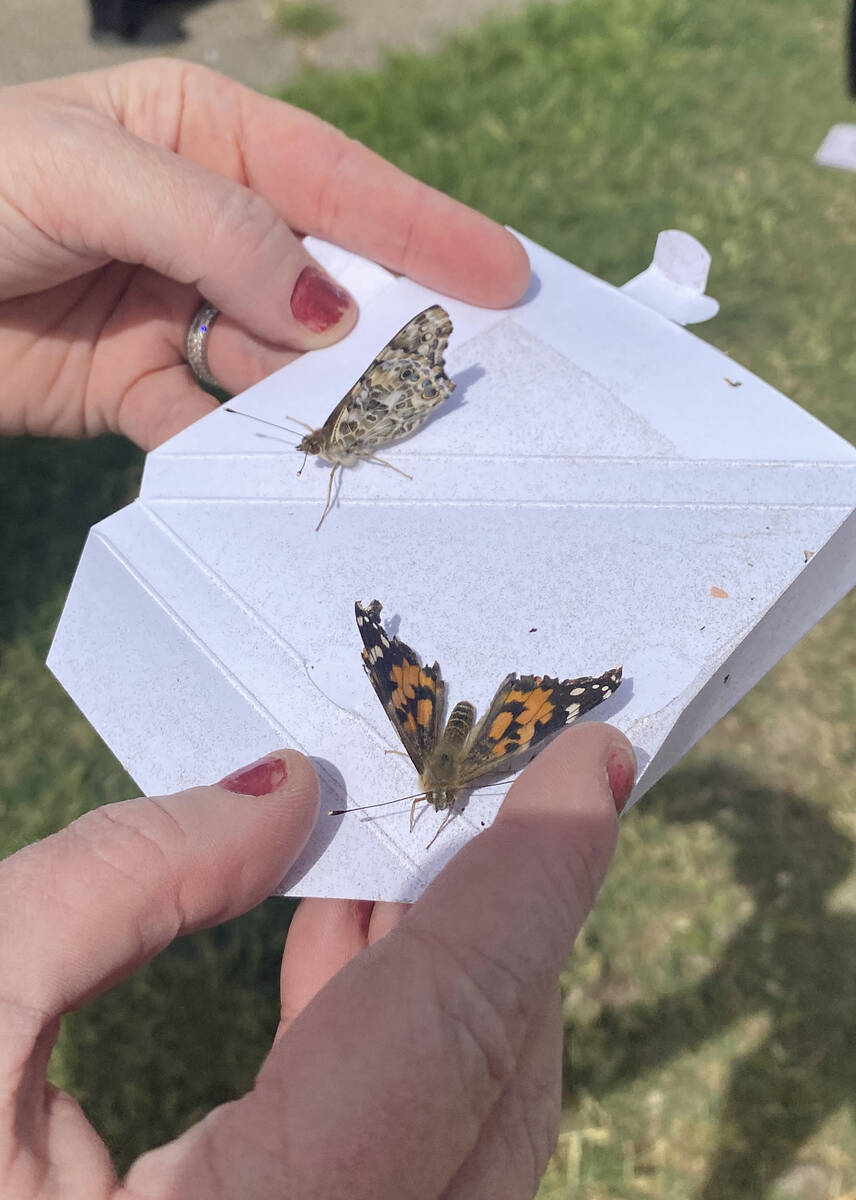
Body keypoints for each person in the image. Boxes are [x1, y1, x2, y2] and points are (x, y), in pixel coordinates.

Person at [0, 59, 636, 1197]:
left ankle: (476, 685)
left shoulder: (451, 753)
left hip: (456, 694)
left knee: (414, 695)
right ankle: (499, 690)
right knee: (433, 704)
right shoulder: (464, 758)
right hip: (473, 721)